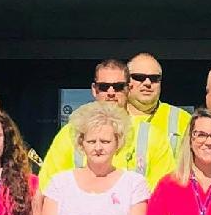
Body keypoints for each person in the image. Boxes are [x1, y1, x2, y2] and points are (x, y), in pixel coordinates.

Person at [42, 59, 176, 189]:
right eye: (104, 87)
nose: (111, 93)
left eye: (118, 87)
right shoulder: (70, 133)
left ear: (128, 89)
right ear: (94, 89)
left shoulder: (152, 136)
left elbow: (164, 194)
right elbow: (48, 188)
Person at [126, 51, 191, 165]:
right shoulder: (111, 117)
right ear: (126, 81)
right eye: (139, 77)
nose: (147, 83)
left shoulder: (183, 119)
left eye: (154, 78)